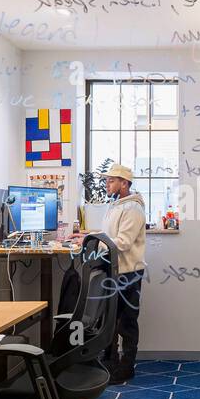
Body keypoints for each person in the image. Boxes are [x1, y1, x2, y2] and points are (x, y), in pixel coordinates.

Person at [69, 163, 146, 383]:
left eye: (111, 180)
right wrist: (86, 234)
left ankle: (126, 367)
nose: (106, 184)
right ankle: (110, 361)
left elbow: (122, 242)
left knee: (126, 322)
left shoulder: (132, 209)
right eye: (106, 180)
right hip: (115, 270)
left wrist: (93, 241)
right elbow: (109, 234)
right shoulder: (118, 205)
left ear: (125, 183)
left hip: (128, 273)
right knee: (110, 320)